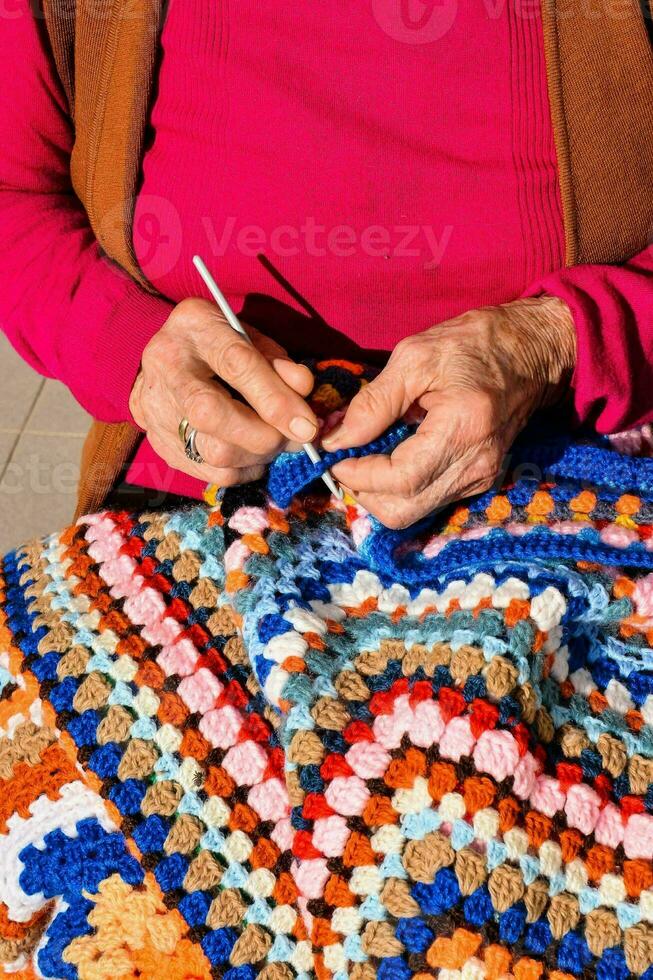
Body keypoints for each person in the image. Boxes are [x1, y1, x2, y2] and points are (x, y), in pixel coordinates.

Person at [0, 0, 652, 529]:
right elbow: (14, 199)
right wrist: (135, 352)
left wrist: (552, 341)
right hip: (196, 488)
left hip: (576, 469)